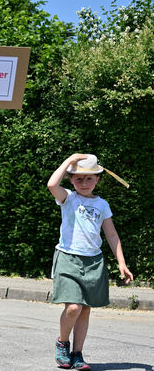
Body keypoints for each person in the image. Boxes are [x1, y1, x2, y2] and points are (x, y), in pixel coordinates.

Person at [47, 154, 133, 370]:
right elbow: (51, 184)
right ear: (71, 179)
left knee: (85, 309)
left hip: (93, 261)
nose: (83, 183)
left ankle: (77, 354)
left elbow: (111, 235)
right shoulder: (68, 198)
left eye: (89, 179)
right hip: (68, 257)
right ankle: (62, 343)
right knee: (73, 307)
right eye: (78, 178)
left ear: (97, 179)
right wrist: (70, 160)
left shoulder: (102, 204)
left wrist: (121, 262)